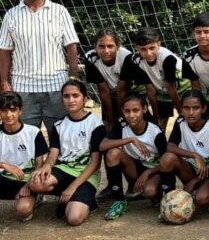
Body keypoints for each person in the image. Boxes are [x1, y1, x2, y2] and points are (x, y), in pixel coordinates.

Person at [0, 0, 79, 130]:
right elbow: (5, 51)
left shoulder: (60, 12)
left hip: (56, 87)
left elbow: (71, 46)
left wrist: (73, 78)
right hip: (23, 89)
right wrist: (5, 82)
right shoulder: (11, 15)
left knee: (60, 136)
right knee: (25, 137)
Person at [27, 80, 105, 226]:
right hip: (64, 169)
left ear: (85, 99)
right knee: (36, 182)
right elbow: (53, 153)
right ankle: (66, 196)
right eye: (66, 96)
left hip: (85, 175)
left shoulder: (95, 124)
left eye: (75, 95)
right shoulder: (59, 125)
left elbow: (95, 162)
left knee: (74, 218)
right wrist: (47, 165)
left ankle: (87, 201)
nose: (71, 100)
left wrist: (73, 187)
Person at [100, 92, 168, 220]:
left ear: (144, 109)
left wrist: (148, 172)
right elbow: (103, 146)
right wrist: (130, 140)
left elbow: (168, 162)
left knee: (150, 191)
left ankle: (160, 197)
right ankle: (120, 201)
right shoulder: (121, 125)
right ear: (122, 111)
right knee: (112, 153)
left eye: (135, 110)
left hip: (155, 171)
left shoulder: (155, 132)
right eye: (127, 111)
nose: (131, 115)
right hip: (135, 169)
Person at [119, 27, 190, 131]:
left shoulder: (167, 58)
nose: (148, 53)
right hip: (163, 92)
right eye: (143, 49)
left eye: (152, 48)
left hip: (183, 89)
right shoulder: (136, 60)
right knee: (159, 124)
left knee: (188, 117)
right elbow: (150, 89)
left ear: (159, 44)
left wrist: (181, 113)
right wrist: (156, 117)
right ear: (137, 48)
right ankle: (160, 136)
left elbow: (170, 87)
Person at [158, 90, 209, 211]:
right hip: (190, 169)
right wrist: (194, 155)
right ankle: (169, 199)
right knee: (167, 157)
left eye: (196, 108)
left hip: (208, 175)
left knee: (202, 199)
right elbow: (170, 147)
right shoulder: (181, 121)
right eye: (186, 108)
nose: (191, 112)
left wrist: (195, 181)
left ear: (203, 109)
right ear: (181, 109)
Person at [0, 91, 48, 221]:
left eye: (13, 110)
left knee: (23, 210)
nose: (8, 115)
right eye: (4, 110)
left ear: (20, 111)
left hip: (26, 180)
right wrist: (4, 165)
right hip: (4, 178)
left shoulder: (33, 132)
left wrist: (28, 185)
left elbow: (40, 164)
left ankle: (36, 196)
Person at [84, 29, 135, 130]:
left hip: (130, 91)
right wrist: (110, 121)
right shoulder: (90, 58)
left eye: (110, 46)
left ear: (118, 46)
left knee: (128, 124)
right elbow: (103, 90)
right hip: (109, 92)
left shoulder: (127, 56)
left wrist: (122, 119)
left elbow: (122, 89)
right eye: (101, 46)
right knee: (108, 125)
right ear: (95, 46)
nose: (106, 51)